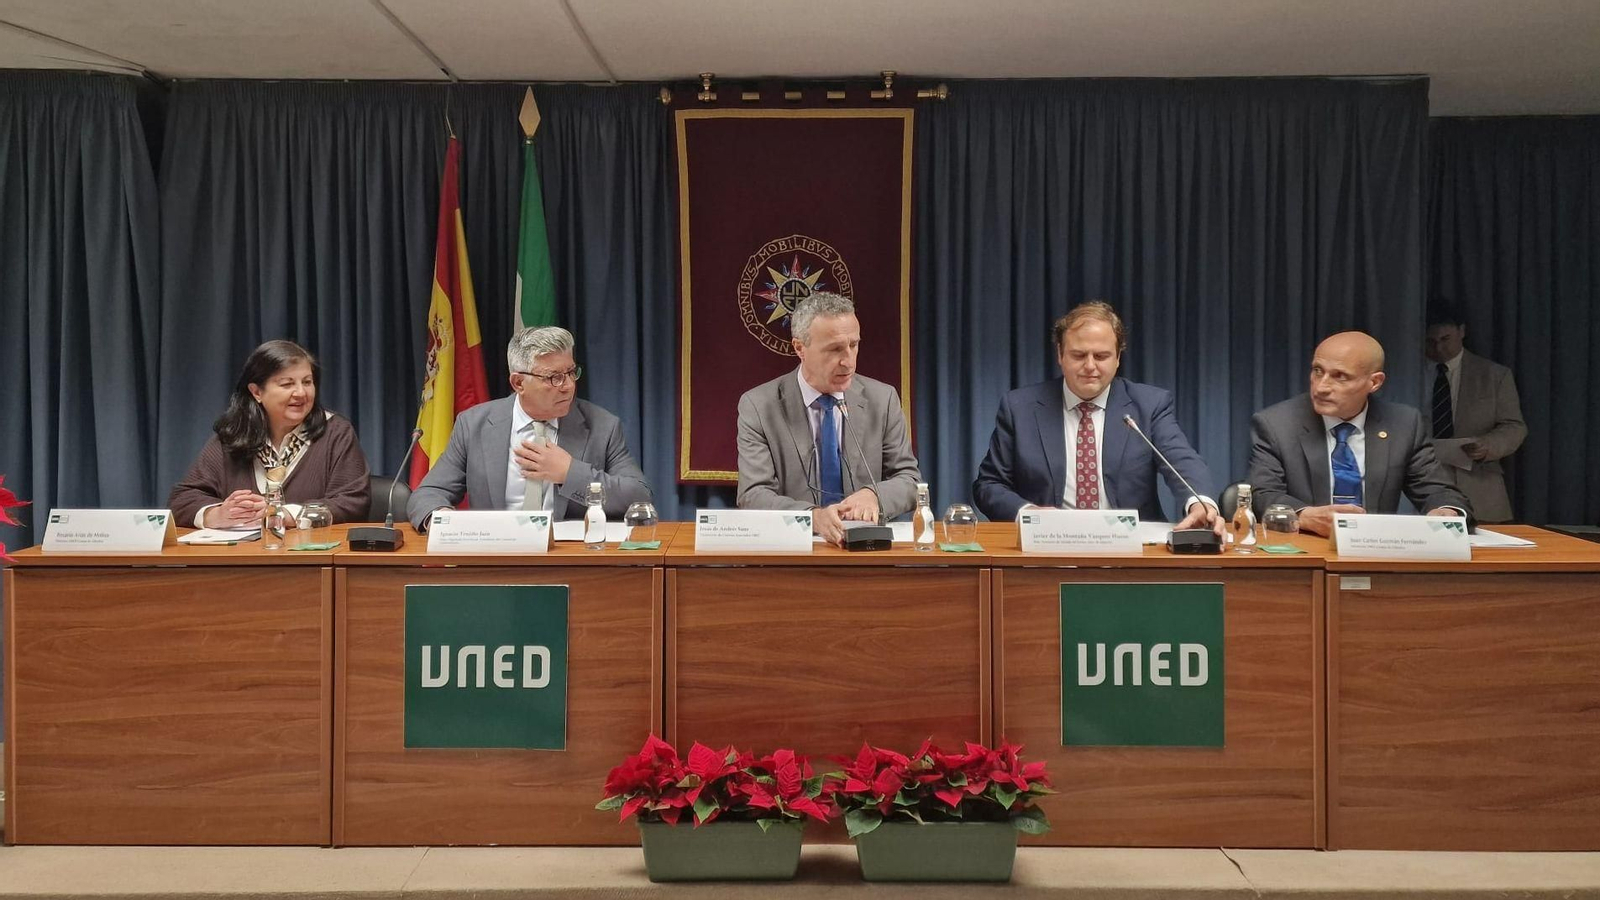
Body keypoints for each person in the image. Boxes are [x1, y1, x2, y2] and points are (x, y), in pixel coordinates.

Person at [973, 301, 1222, 532]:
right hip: (1048, 547)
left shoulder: (1148, 405)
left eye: (1101, 356)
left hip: (1133, 550)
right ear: (1060, 355)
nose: (1090, 366)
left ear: (1118, 358)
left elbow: (1182, 462)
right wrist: (1030, 514)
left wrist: (1200, 503)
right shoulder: (1020, 408)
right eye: (1079, 355)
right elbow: (989, 485)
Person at [407, 326, 651, 529]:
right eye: (553, 377)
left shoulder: (603, 426)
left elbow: (639, 497)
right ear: (518, 382)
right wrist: (442, 521)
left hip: (570, 563)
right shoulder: (474, 425)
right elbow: (427, 494)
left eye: (570, 373)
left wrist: (569, 474)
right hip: (495, 561)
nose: (567, 386)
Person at [735, 292, 921, 545]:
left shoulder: (882, 399)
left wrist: (874, 496)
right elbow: (753, 495)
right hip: (792, 550)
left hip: (868, 551)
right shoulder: (759, 405)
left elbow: (909, 480)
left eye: (853, 345)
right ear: (799, 348)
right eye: (834, 349)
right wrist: (813, 518)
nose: (848, 361)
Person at [1246, 330, 1472, 536]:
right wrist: (1304, 515)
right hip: (1307, 547)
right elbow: (1263, 494)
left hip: (1377, 550)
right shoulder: (1276, 424)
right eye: (1317, 371)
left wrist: (1446, 511)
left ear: (1374, 382)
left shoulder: (1403, 424)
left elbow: (1436, 489)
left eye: (1340, 376)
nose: (1321, 387)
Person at [170, 340, 371, 526]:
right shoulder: (234, 435)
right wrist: (218, 514)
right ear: (257, 392)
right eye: (287, 384)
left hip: (311, 558)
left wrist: (283, 515)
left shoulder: (335, 432)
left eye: (307, 382)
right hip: (243, 558)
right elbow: (181, 501)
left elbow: (353, 502)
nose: (301, 393)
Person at [1422, 303, 1527, 523]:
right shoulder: (1407, 373)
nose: (1439, 349)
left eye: (1445, 339)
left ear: (1462, 331)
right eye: (1431, 342)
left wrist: (1487, 446)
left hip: (1477, 483)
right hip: (1420, 484)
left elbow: (1514, 426)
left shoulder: (1493, 375)